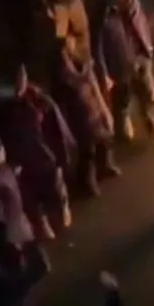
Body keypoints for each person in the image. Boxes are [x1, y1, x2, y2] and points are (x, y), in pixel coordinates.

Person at [0, 65, 75, 240]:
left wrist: (61, 154)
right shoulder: (1, 107)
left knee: (55, 186)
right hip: (21, 159)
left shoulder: (38, 100)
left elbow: (56, 127)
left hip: (43, 155)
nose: (18, 83)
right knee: (30, 195)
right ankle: (42, 221)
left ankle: (62, 205)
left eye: (21, 77)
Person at [95, 0, 154, 144]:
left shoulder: (134, 6)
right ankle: (123, 130)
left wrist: (148, 49)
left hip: (141, 58)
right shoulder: (104, 16)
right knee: (122, 99)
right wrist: (104, 73)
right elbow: (98, 47)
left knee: (149, 94)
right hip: (120, 64)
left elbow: (142, 26)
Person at [50, 35, 119, 197]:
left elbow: (95, 89)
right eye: (65, 50)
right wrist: (66, 131)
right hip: (79, 119)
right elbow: (61, 107)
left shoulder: (84, 66)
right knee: (87, 151)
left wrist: (105, 111)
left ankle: (105, 165)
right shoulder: (62, 80)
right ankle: (86, 180)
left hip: (93, 111)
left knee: (104, 140)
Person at [0, 137, 49, 284]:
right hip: (12, 229)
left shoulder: (3, 172)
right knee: (23, 263)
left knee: (35, 259)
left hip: (18, 223)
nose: (2, 151)